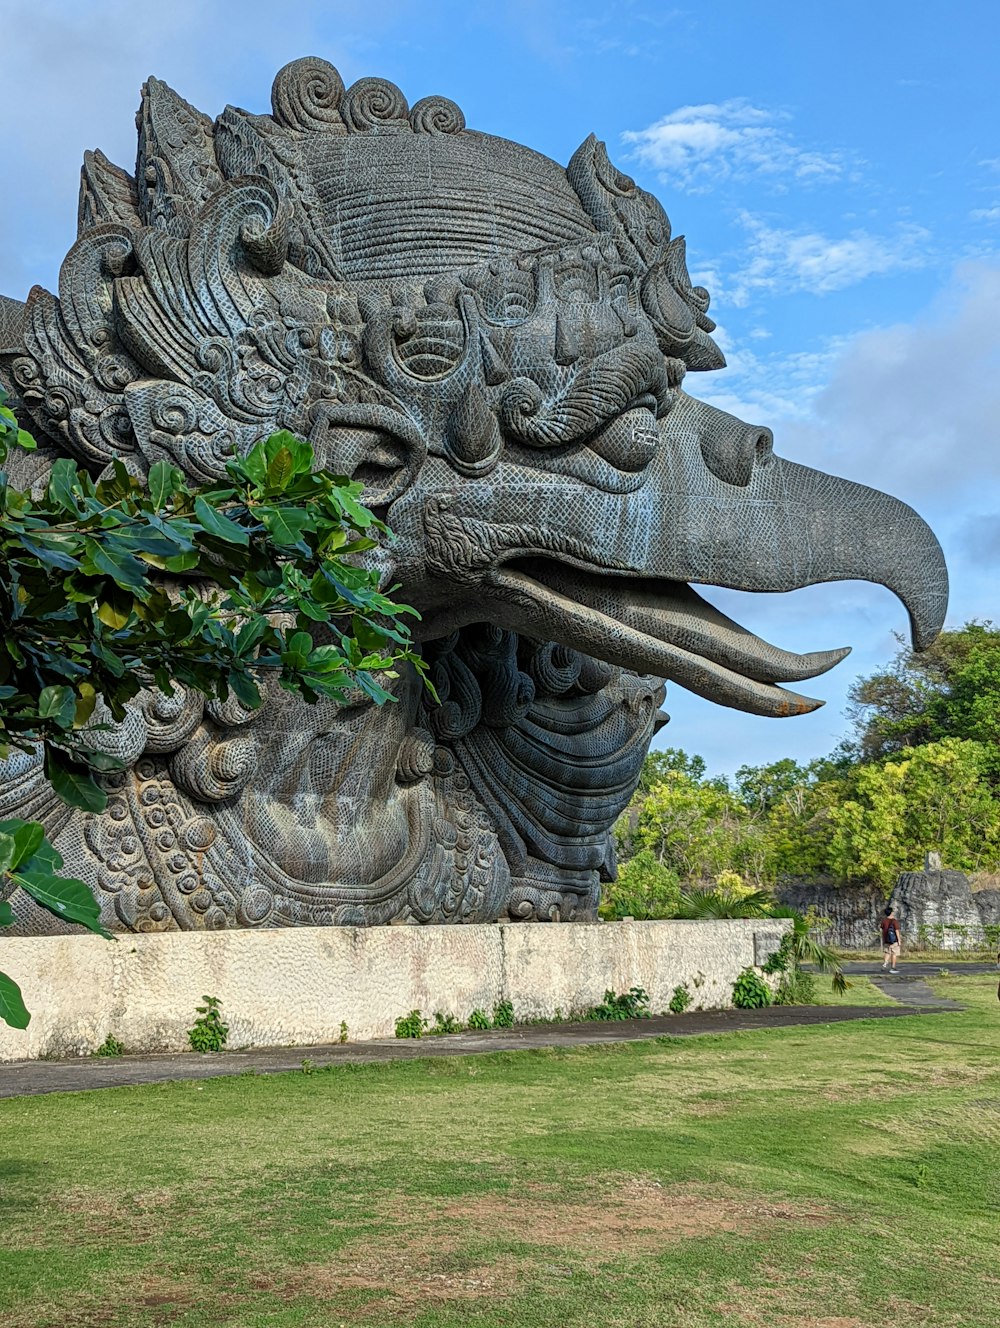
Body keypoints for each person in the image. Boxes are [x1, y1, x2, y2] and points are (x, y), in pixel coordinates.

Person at [879, 906, 901, 973]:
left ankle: (885, 964)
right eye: (892, 911)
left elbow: (882, 931)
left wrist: (883, 939)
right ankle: (893, 967)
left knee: (887, 952)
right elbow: (897, 931)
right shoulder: (894, 921)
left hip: (886, 940)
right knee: (894, 953)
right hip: (894, 940)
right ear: (891, 913)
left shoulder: (884, 921)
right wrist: (899, 940)